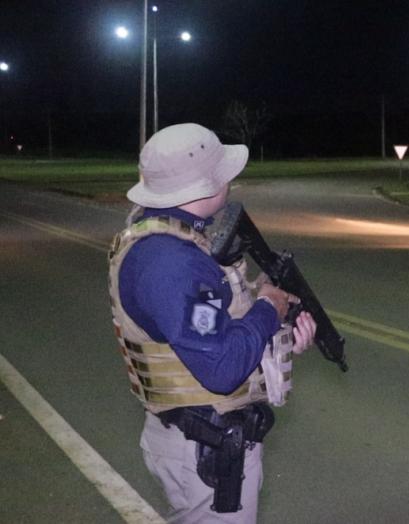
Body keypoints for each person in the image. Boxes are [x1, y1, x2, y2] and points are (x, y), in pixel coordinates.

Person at [108, 123, 317, 523]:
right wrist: (268, 308)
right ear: (204, 186)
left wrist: (276, 329)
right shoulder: (171, 263)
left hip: (196, 438)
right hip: (205, 450)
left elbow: (208, 329)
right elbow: (220, 367)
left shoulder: (170, 238)